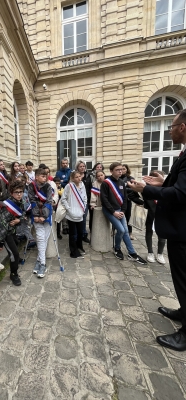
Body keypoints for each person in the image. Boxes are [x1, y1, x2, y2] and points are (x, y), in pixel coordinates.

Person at [128, 109, 186, 351]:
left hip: (182, 230)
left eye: (172, 126)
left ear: (182, 127)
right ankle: (184, 311)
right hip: (178, 229)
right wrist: (162, 182)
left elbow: (181, 194)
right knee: (182, 279)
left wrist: (146, 190)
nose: (169, 130)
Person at [100, 162, 146, 264]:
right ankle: (117, 248)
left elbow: (125, 198)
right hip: (109, 210)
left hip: (120, 211)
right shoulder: (106, 183)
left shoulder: (121, 182)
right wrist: (113, 212)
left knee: (125, 231)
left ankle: (132, 253)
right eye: (117, 170)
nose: (120, 171)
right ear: (111, 171)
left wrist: (123, 211)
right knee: (121, 230)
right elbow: (104, 199)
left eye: (121, 169)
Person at [0, 181, 26, 286]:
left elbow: (23, 214)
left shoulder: (21, 201)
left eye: (21, 192)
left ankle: (15, 260)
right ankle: (13, 274)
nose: (19, 194)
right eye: (16, 192)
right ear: (11, 192)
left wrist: (19, 220)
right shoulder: (7, 205)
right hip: (5, 233)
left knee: (15, 247)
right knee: (14, 254)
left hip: (13, 231)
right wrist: (0, 242)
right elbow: (1, 224)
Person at [28, 168, 53, 278]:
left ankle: (39, 261)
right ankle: (43, 264)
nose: (45, 178)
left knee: (44, 238)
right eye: (43, 176)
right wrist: (37, 216)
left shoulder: (48, 186)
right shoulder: (31, 187)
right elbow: (32, 201)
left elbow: (48, 201)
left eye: (46, 176)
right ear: (36, 177)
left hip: (46, 215)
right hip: (36, 216)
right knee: (40, 238)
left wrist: (43, 216)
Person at [61, 171, 87, 258]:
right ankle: (73, 251)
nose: (79, 178)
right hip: (71, 213)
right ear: (72, 178)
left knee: (80, 232)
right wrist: (69, 209)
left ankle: (79, 246)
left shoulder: (82, 185)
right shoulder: (69, 186)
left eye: (80, 176)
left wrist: (83, 208)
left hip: (80, 212)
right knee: (73, 233)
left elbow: (85, 197)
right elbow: (63, 199)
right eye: (76, 177)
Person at [144, 170, 166, 264]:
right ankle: (150, 252)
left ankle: (160, 254)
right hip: (150, 215)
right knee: (149, 233)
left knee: (162, 235)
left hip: (162, 215)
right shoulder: (147, 188)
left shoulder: (166, 188)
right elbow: (134, 194)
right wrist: (142, 203)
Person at [76, 161, 90, 242]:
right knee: (77, 217)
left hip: (85, 200)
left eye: (83, 166)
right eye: (80, 166)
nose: (82, 168)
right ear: (77, 167)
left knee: (84, 217)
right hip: (76, 200)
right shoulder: (74, 175)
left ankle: (84, 234)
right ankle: (78, 233)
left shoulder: (88, 176)